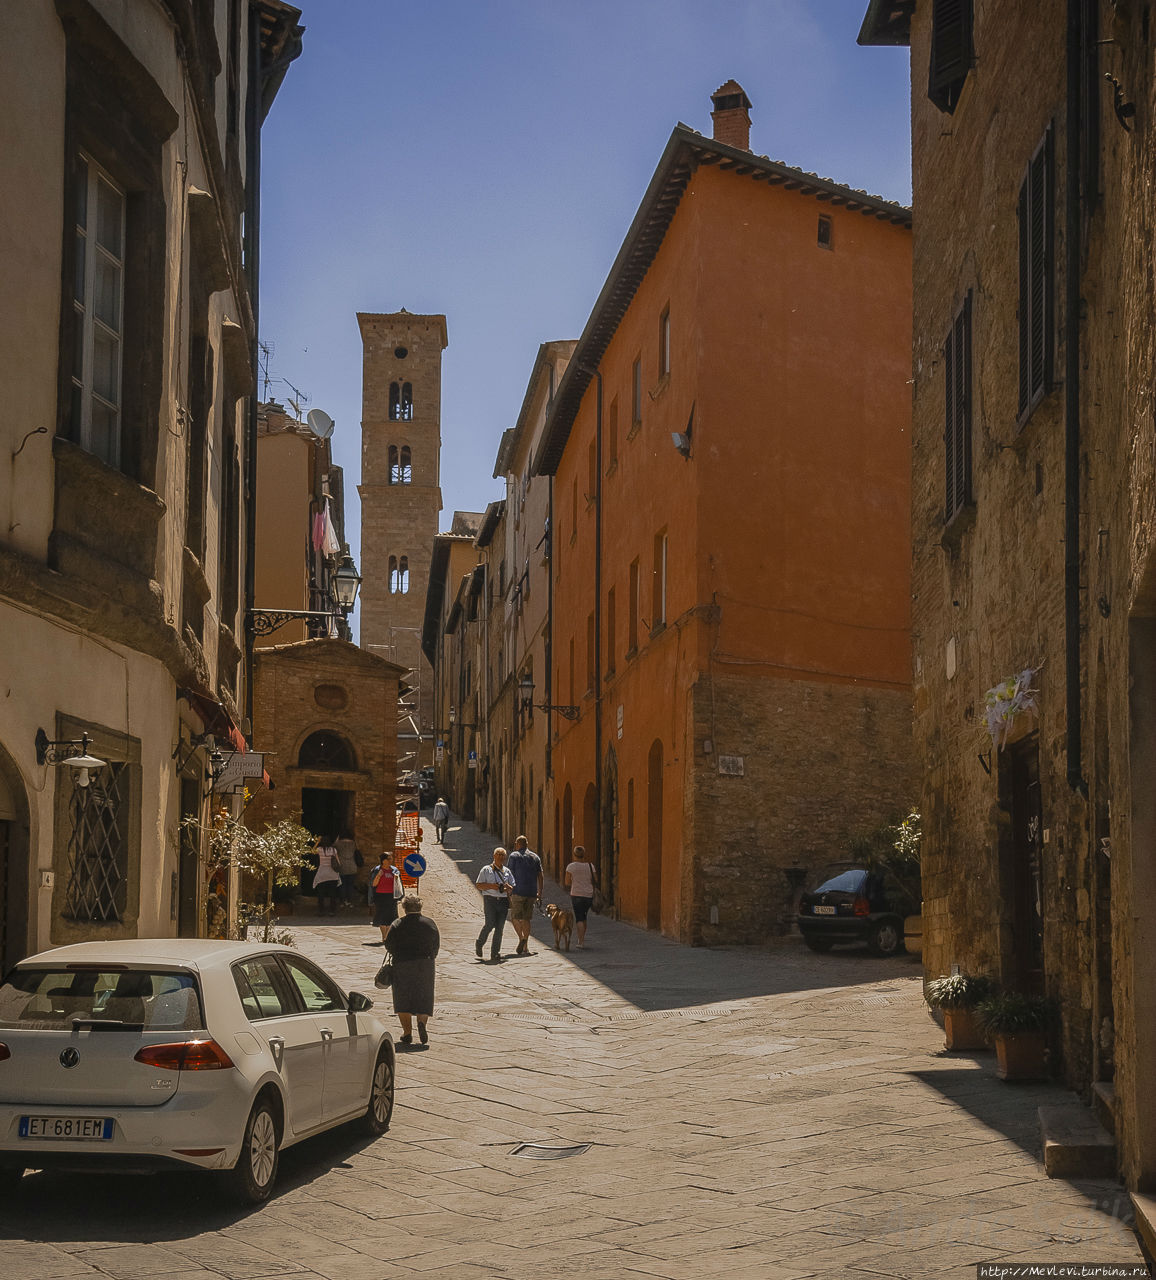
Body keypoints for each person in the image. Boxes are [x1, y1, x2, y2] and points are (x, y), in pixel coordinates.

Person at [382, 895, 440, 1045]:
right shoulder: (430, 924)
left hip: (402, 963)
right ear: (420, 907)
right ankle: (422, 1022)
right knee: (424, 994)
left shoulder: (397, 924)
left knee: (402, 997)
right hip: (425, 963)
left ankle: (407, 1033)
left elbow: (389, 945)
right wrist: (431, 956)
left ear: (404, 908)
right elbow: (436, 945)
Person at [475, 846, 514, 963]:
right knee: (490, 924)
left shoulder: (507, 871)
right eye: (499, 855)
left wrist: (508, 888)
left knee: (500, 928)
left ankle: (495, 953)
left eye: (503, 855)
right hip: (490, 900)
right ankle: (480, 942)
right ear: (494, 856)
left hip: (503, 901)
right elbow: (479, 885)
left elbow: (512, 886)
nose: (501, 857)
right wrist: (492, 886)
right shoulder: (486, 870)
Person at [506, 834, 543, 956]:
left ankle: (521, 938)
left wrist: (508, 889)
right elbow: (540, 875)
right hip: (531, 892)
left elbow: (509, 873)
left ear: (517, 844)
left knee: (515, 917)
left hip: (517, 891)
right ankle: (526, 946)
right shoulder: (535, 857)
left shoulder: (513, 856)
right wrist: (540, 892)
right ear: (526, 844)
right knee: (526, 918)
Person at [564, 844, 599, 948]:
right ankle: (581, 939)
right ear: (584, 855)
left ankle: (580, 942)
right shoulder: (590, 866)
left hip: (576, 894)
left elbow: (567, 882)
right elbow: (596, 879)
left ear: (574, 855)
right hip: (588, 895)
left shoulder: (571, 867)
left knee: (579, 918)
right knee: (584, 917)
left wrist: (575, 881)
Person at [369, 850, 405, 944]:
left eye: (391, 858)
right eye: (388, 859)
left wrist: (396, 879)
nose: (391, 860)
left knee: (391, 916)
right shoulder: (377, 870)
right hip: (380, 896)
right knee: (382, 916)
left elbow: (399, 884)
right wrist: (379, 876)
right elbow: (373, 884)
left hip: (391, 896)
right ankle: (384, 936)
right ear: (383, 860)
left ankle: (387, 937)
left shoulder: (394, 870)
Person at [312, 836, 342, 916]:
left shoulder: (320, 849)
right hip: (333, 874)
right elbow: (338, 862)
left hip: (322, 873)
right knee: (333, 893)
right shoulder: (333, 850)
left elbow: (312, 851)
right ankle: (332, 911)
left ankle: (321, 910)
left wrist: (317, 842)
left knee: (321, 893)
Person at [335, 832, 361, 907]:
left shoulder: (338, 844)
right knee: (350, 885)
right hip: (352, 867)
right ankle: (349, 902)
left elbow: (332, 847)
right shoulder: (353, 843)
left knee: (342, 885)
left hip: (342, 867)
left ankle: (342, 901)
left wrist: (337, 838)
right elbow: (358, 848)